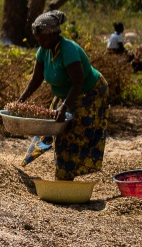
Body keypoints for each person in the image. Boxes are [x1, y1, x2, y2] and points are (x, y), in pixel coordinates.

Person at [15, 10, 109, 180]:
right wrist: (21, 100)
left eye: (42, 37)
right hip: (66, 93)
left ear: (54, 34)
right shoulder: (44, 50)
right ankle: (34, 167)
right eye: (37, 37)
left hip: (89, 93)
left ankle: (65, 176)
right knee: (49, 129)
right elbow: (36, 79)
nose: (39, 40)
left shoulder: (68, 50)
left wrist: (64, 106)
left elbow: (78, 82)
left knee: (70, 134)